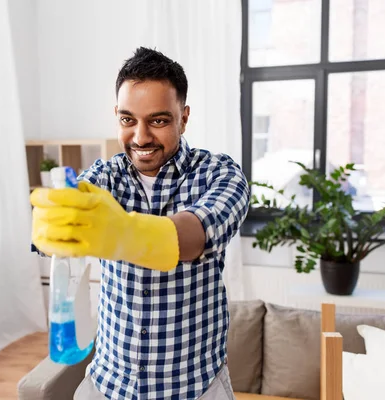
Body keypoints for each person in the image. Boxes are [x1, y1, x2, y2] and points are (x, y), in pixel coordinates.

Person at [30, 47, 249, 400]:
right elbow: (66, 220)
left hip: (195, 389)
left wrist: (124, 233)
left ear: (184, 117)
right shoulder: (105, 177)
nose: (141, 137)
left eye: (159, 120)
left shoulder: (219, 174)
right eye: (128, 120)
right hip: (108, 386)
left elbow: (195, 235)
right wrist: (60, 217)